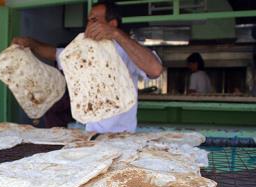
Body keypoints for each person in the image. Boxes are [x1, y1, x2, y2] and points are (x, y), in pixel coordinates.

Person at [12, 1, 162, 133]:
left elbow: (155, 69)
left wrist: (116, 34)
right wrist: (31, 43)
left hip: (122, 134)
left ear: (112, 23)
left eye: (94, 19)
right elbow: (56, 54)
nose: (89, 24)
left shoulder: (127, 50)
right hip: (89, 133)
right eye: (88, 20)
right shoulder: (83, 51)